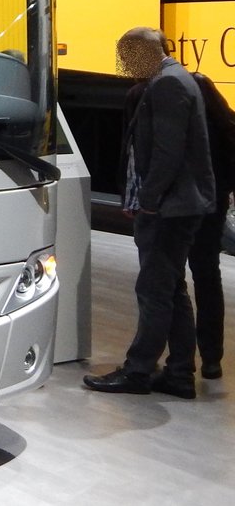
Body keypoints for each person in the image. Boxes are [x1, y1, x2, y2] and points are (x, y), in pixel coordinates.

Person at [83, 27, 216, 399]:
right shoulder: (173, 79)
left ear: (145, 52)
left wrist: (150, 199)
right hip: (178, 205)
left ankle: (138, 370)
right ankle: (178, 374)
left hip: (170, 208)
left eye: (127, 56)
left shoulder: (167, 84)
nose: (124, 64)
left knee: (154, 290)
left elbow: (167, 152)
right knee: (172, 289)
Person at [188, 72, 235, 380]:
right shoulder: (226, 125)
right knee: (208, 277)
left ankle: (178, 358)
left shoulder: (188, 123)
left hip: (185, 207)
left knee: (170, 280)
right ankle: (212, 358)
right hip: (214, 205)